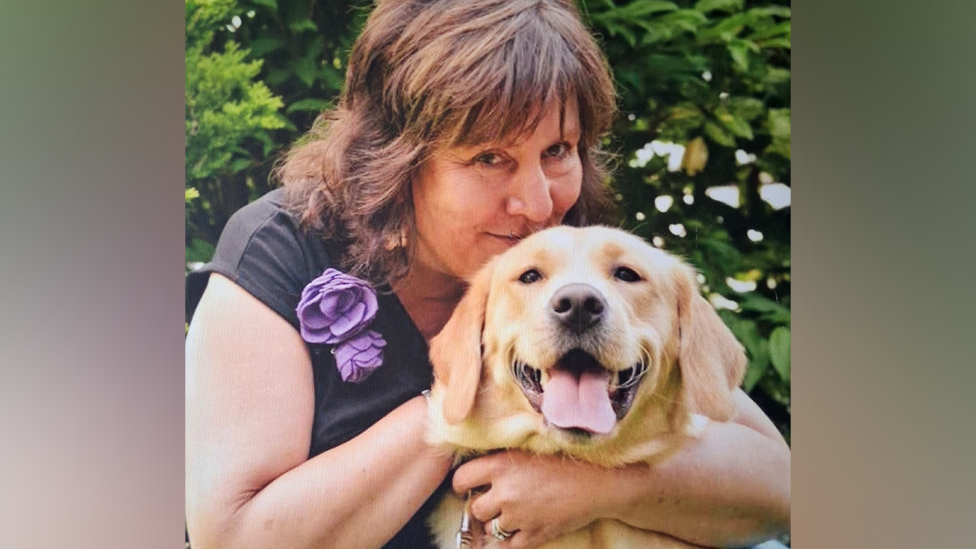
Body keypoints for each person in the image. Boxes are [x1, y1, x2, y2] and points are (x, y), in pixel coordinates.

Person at [184, 0, 791, 548]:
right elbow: (234, 538)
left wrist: (598, 488)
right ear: (401, 159)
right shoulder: (282, 251)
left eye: (557, 151)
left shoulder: (568, 260)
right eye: (489, 158)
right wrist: (463, 396)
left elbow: (781, 483)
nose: (536, 202)